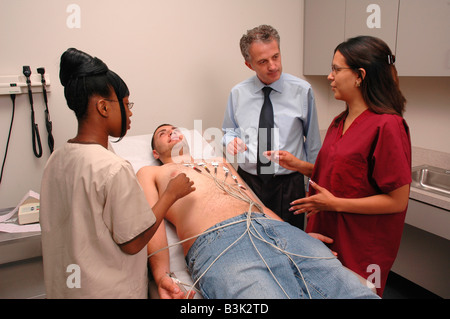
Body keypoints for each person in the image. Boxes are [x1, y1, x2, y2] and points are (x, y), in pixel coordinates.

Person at [137, 124, 379, 299]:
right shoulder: (151, 172)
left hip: (275, 231)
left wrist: (298, 235)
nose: (171, 133)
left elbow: (259, 206)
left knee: (352, 291)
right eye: (162, 133)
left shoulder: (219, 162)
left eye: (174, 129)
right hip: (221, 243)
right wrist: (161, 274)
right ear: (156, 153)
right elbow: (153, 221)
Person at [39, 49, 194, 298]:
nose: (130, 113)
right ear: (103, 107)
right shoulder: (113, 168)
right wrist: (170, 195)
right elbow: (133, 242)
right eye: (125, 104)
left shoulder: (57, 158)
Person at [265, 36, 411, 297]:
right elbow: (341, 175)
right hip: (326, 232)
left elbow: (397, 201)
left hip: (362, 244)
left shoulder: (387, 126)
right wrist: (299, 165)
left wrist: (334, 204)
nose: (329, 76)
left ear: (359, 75)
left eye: (336, 69)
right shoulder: (339, 121)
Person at [222, 25, 321, 230]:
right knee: (252, 239)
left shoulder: (302, 91)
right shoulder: (238, 93)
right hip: (248, 181)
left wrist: (316, 188)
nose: (273, 66)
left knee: (291, 242)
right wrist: (230, 140)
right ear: (249, 65)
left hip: (289, 184)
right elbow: (228, 130)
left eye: (276, 57)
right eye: (263, 61)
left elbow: (313, 144)